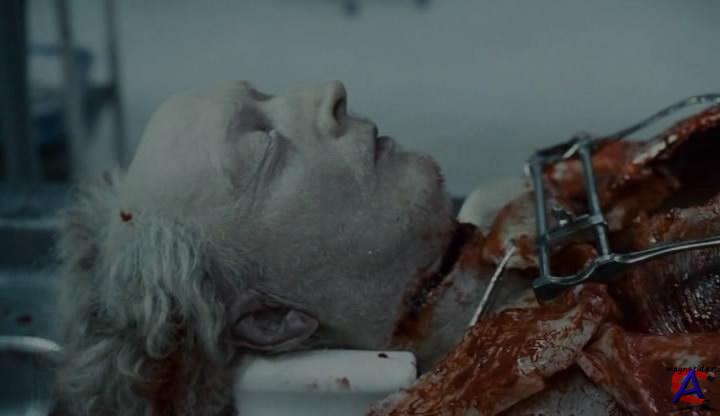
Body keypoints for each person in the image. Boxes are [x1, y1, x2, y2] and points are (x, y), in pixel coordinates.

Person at [54, 81, 510, 415]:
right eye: (267, 147)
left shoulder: (510, 219)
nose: (329, 92)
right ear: (270, 319)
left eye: (266, 97)